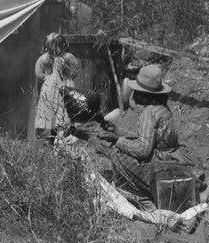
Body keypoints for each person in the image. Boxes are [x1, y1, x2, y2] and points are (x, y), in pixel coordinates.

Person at [98, 64, 182, 209]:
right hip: (172, 158)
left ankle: (138, 195)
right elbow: (150, 138)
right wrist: (118, 132)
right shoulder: (162, 108)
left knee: (116, 151)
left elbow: (143, 150)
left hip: (161, 165)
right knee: (123, 144)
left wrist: (117, 140)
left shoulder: (148, 113)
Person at [34, 34, 80, 145]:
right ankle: (51, 136)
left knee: (64, 108)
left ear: (64, 45)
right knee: (50, 109)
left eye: (59, 45)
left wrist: (70, 75)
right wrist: (47, 79)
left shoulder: (68, 57)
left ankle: (64, 135)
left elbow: (76, 67)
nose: (57, 48)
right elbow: (38, 71)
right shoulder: (46, 58)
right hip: (50, 88)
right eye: (54, 45)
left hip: (65, 85)